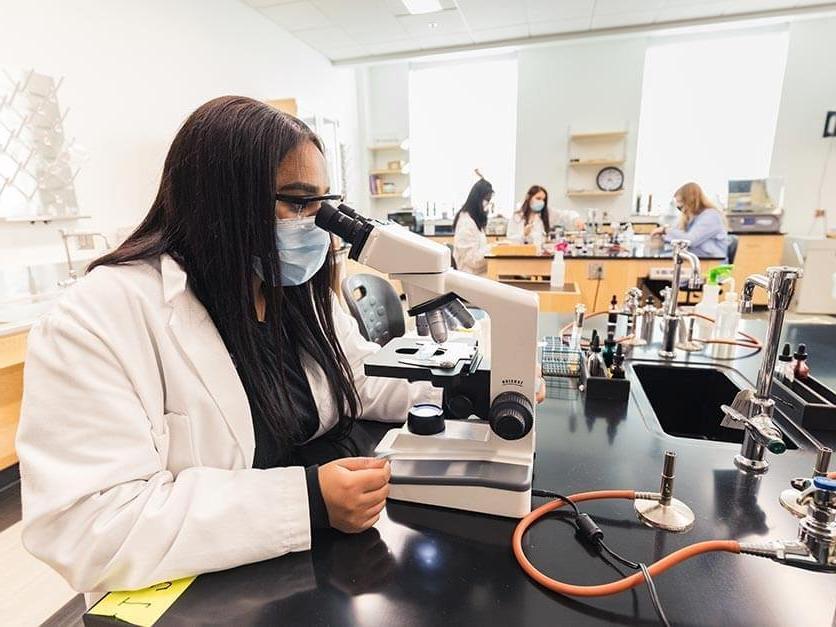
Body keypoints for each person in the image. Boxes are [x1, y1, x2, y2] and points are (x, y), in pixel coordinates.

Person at [15, 96, 441, 593]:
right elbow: (87, 527)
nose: (317, 226)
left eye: (323, 204)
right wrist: (306, 501)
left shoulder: (292, 291)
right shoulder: (100, 318)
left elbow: (363, 377)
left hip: (311, 569)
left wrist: (465, 389)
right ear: (220, 200)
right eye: (298, 201)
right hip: (199, 591)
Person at [651, 182, 729, 259]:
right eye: (677, 202)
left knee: (658, 263)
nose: (678, 206)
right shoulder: (691, 217)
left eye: (680, 202)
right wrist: (663, 236)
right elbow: (678, 234)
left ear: (690, 200)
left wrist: (665, 230)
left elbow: (690, 241)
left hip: (712, 262)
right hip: (696, 257)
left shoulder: (711, 216)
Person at [507, 185, 586, 244]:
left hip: (541, 256)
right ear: (528, 197)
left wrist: (576, 219)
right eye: (538, 198)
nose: (541, 202)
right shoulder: (517, 217)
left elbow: (565, 215)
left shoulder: (547, 213)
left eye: (543, 200)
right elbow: (510, 240)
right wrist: (524, 234)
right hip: (522, 256)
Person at [452, 177, 494, 275]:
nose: (487, 203)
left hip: (478, 274)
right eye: (487, 199)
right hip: (470, 278)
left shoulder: (474, 220)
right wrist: (492, 247)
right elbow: (473, 260)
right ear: (477, 199)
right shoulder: (466, 223)